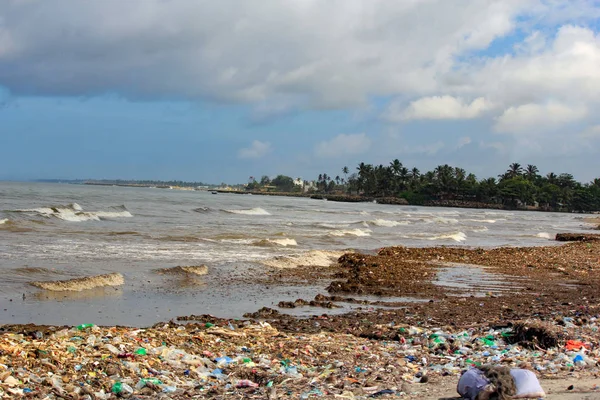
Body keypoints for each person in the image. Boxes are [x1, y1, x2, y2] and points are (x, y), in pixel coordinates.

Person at [457, 365, 544, 400]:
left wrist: (511, 397)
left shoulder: (526, 377)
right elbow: (541, 394)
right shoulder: (478, 380)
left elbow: (540, 394)